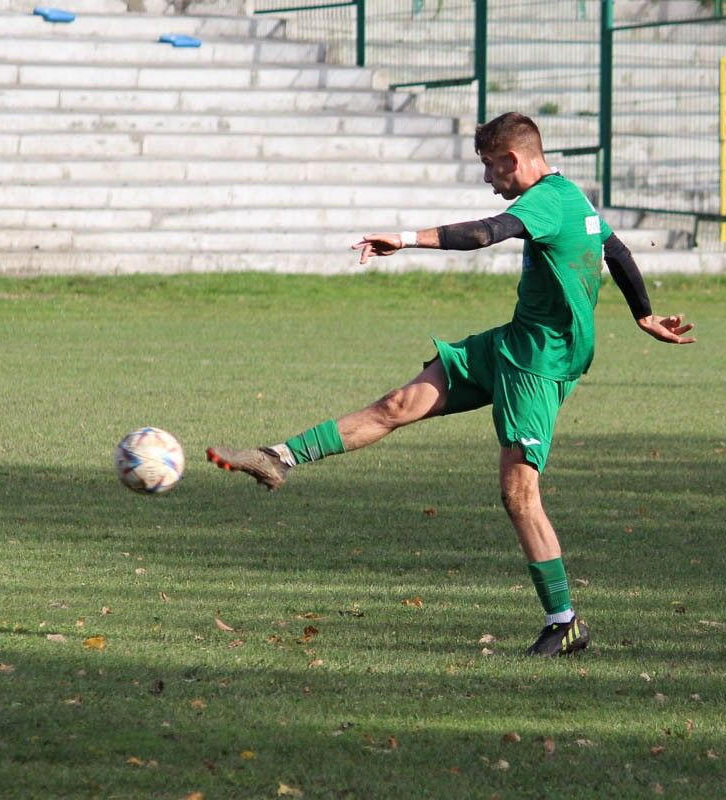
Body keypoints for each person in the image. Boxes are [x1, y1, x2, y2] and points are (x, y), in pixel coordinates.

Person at [206, 112, 695, 657]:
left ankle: (565, 621)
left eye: (490, 167)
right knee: (398, 404)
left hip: (538, 365)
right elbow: (617, 250)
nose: (489, 178)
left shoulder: (544, 202)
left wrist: (407, 239)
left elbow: (486, 233)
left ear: (513, 160)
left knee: (519, 495)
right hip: (512, 343)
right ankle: (279, 458)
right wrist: (644, 315)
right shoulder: (570, 197)